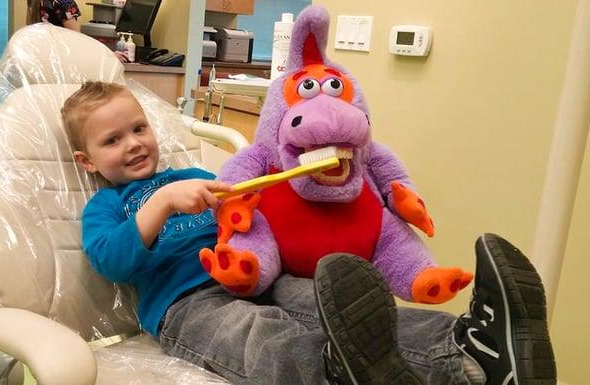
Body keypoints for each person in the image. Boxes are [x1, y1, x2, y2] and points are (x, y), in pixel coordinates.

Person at [64, 81, 556, 385]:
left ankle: (472, 345)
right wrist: (158, 205)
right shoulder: (106, 205)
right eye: (112, 140)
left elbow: (252, 215)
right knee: (259, 336)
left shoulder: (192, 176)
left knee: (331, 303)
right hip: (186, 304)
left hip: (259, 278)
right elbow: (110, 259)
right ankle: (335, 372)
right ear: (87, 161)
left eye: (138, 129)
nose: (133, 144)